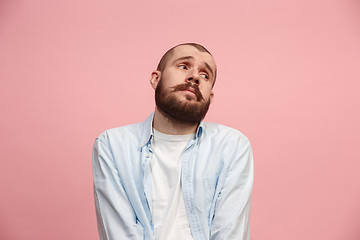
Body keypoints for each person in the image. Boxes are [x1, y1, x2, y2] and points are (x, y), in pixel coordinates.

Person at [92, 43, 254, 240]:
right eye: (184, 66)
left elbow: (229, 233)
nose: (194, 77)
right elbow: (118, 233)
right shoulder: (112, 145)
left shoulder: (232, 146)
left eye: (205, 75)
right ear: (155, 78)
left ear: (210, 97)